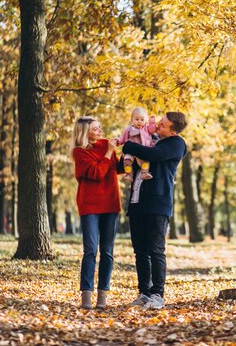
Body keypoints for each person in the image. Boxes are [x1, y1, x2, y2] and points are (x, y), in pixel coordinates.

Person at [122, 112, 188, 309]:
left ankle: (158, 294)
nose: (158, 125)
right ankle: (144, 291)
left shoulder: (176, 144)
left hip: (158, 204)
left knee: (156, 250)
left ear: (173, 130)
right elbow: (131, 160)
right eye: (159, 122)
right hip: (137, 201)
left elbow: (154, 156)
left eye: (164, 124)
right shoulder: (151, 140)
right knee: (140, 251)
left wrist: (127, 144)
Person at [71, 116, 122, 310]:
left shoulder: (105, 146)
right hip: (90, 205)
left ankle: (103, 295)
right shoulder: (80, 152)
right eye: (95, 128)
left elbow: (116, 169)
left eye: (100, 127)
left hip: (110, 203)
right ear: (85, 132)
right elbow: (97, 173)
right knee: (91, 250)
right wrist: (109, 152)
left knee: (107, 252)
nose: (100, 131)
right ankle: (86, 295)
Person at [116, 107, 157, 183]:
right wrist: (118, 141)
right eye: (137, 119)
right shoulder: (129, 129)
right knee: (127, 162)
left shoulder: (146, 128)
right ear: (132, 120)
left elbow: (153, 129)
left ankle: (144, 173)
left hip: (142, 150)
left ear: (145, 120)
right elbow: (122, 137)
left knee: (145, 162)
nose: (139, 122)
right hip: (130, 151)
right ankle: (129, 175)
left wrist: (152, 122)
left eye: (142, 120)